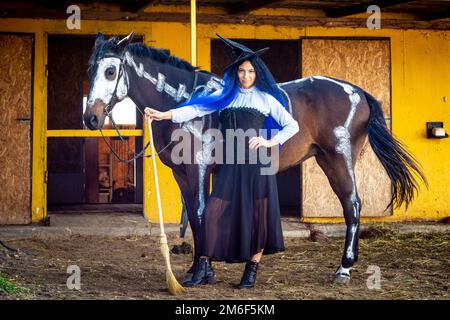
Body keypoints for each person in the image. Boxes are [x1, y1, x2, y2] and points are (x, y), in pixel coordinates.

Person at [145, 34, 299, 289]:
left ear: (257, 73)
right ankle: (204, 266)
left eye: (250, 71)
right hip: (231, 165)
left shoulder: (266, 99)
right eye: (241, 71)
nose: (246, 76)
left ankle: (251, 272)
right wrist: (164, 115)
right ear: (236, 73)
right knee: (212, 214)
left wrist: (269, 142)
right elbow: (195, 108)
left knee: (258, 219)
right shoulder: (226, 96)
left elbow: (292, 125)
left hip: (259, 165)